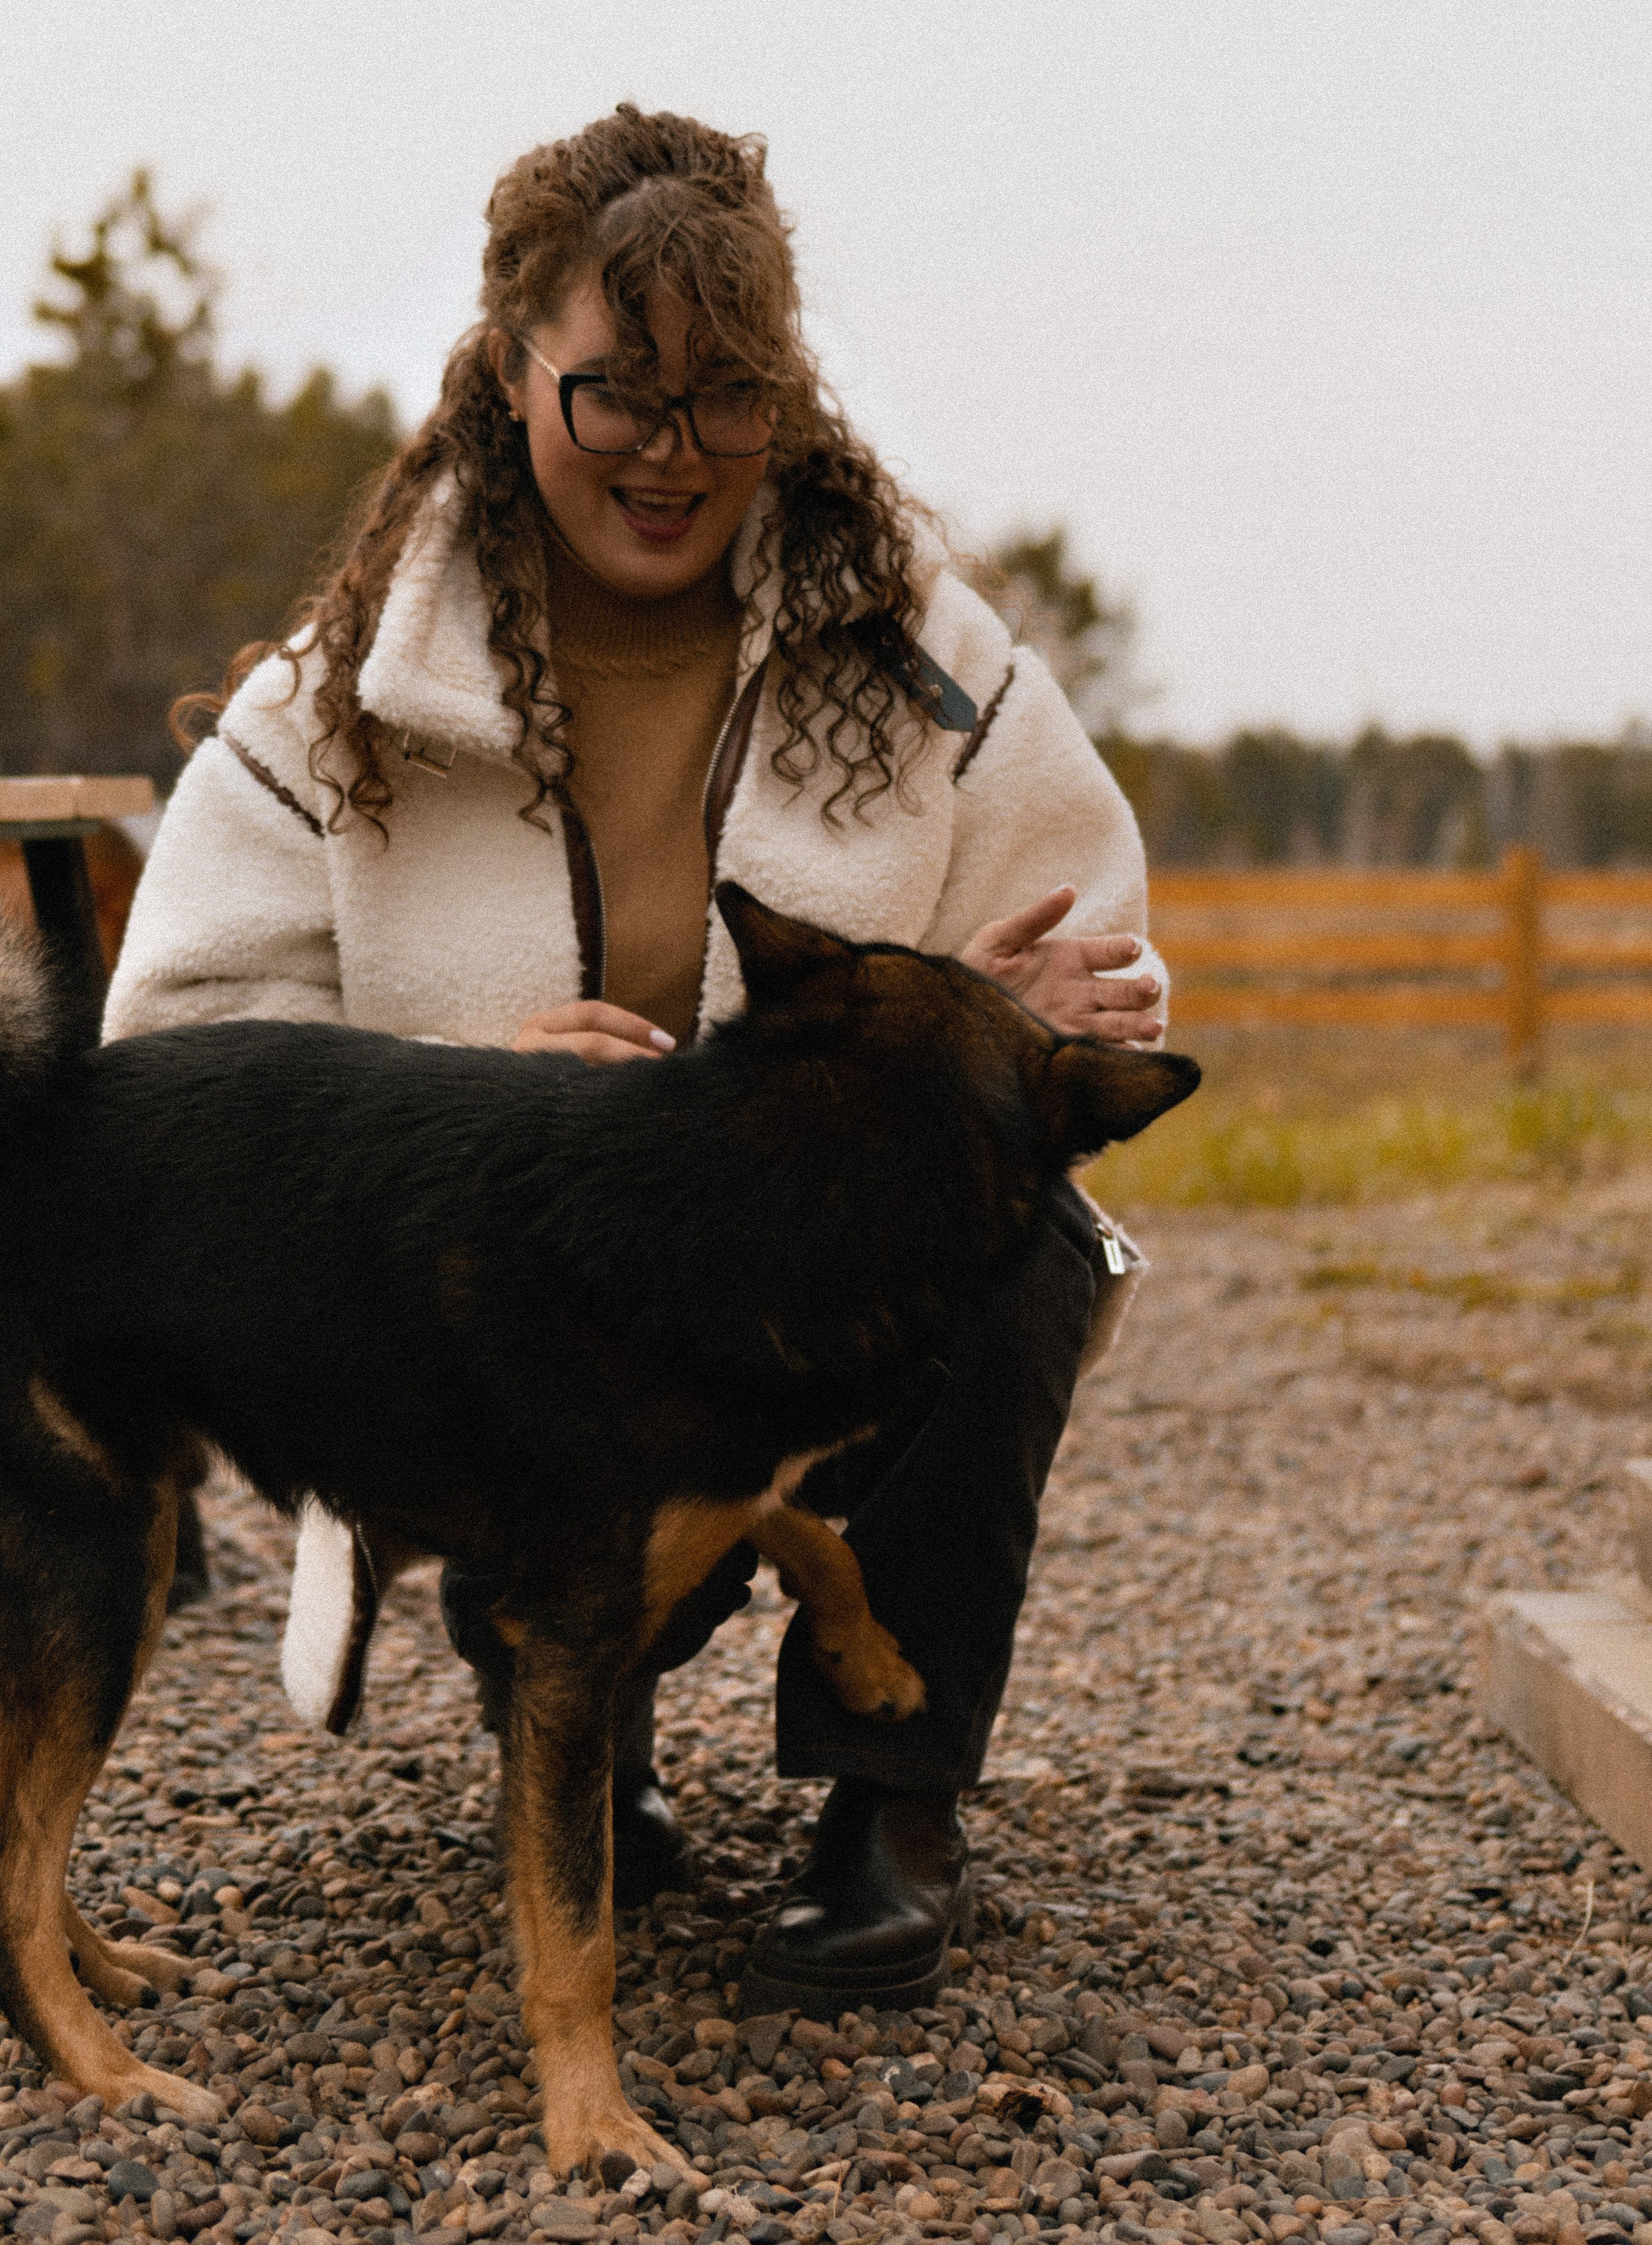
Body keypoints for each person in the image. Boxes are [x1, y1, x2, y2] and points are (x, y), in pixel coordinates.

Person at [104, 103, 1169, 2016]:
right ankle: (600, 1752)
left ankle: (890, 1810)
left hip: (815, 1316)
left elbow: (1090, 954)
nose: (673, 457)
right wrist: (475, 1085)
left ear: (788, 398)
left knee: (1024, 1238)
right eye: (618, 396)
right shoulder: (341, 701)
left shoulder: (917, 650)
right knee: (545, 1338)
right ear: (514, 371)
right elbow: (169, 1068)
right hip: (510, 1367)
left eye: (727, 397)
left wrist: (1012, 1035)